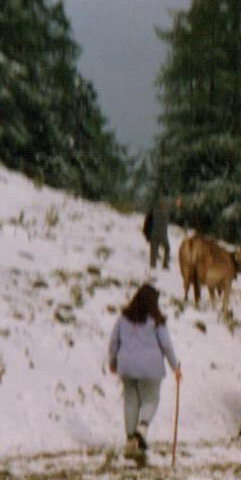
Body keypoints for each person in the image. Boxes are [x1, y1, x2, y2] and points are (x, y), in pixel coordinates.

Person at [106, 284, 181, 461]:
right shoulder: (157, 321)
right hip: (151, 368)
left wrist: (113, 361)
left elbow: (113, 341)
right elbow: (166, 345)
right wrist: (175, 367)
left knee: (130, 402)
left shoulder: (123, 318)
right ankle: (142, 428)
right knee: (151, 399)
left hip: (127, 366)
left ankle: (131, 439)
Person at [143, 195, 173, 270]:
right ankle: (165, 265)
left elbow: (147, 223)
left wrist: (146, 234)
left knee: (153, 252)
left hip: (154, 234)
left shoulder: (153, 211)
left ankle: (153, 266)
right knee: (167, 248)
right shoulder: (166, 212)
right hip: (162, 235)